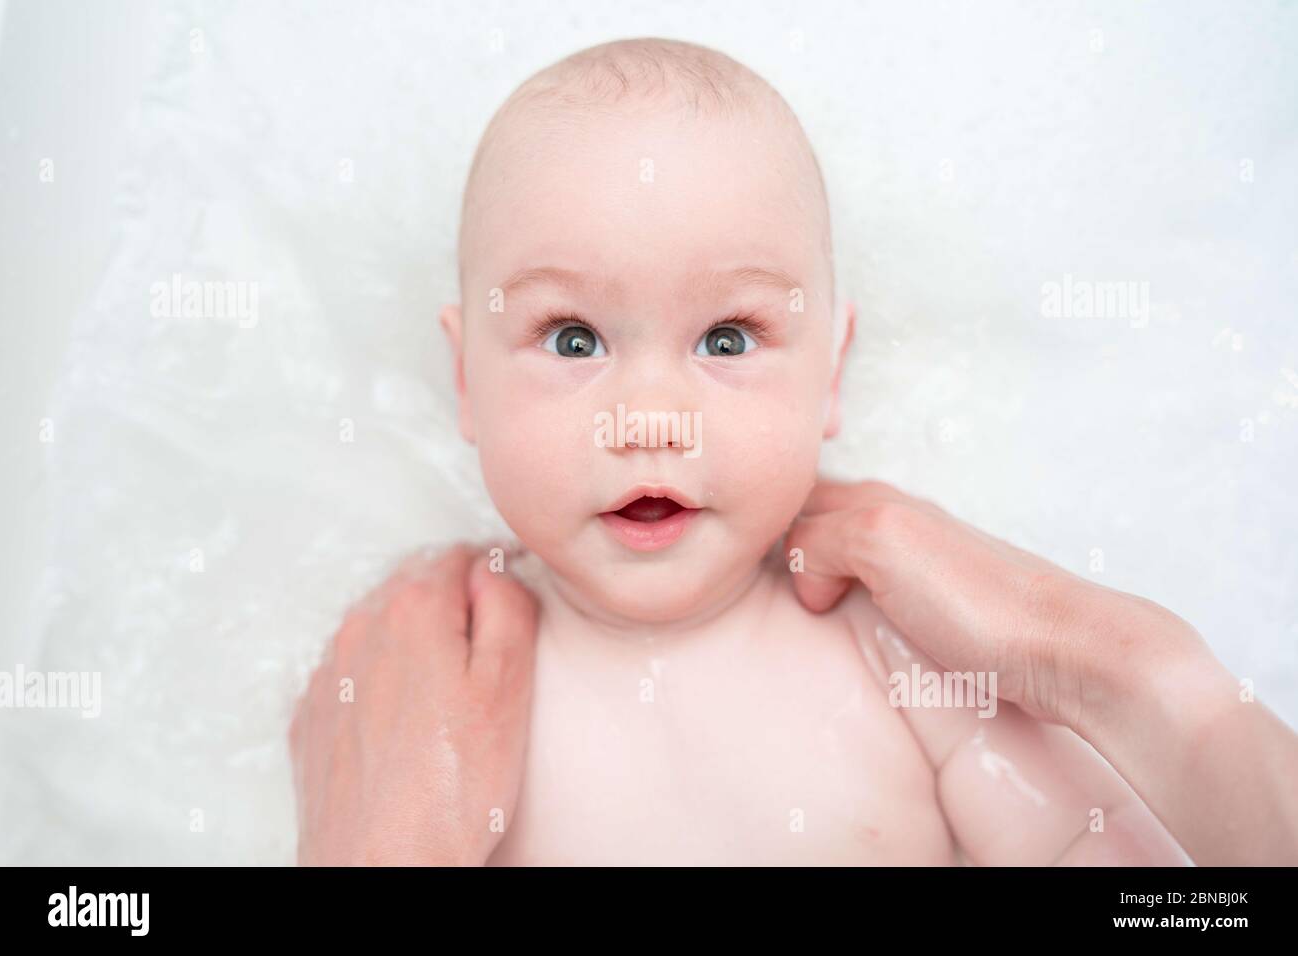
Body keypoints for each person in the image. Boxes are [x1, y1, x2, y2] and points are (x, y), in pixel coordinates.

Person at [289, 38, 1298, 865]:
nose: (650, 416)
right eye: (573, 338)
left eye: (726, 338)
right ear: (465, 379)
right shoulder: (424, 671)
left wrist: (1137, 675)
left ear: (832, 375)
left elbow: (1105, 859)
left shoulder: (899, 644)